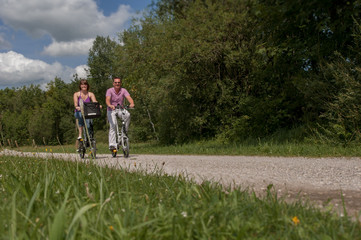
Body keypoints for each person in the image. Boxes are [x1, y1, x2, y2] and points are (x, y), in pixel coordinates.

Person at [106, 76, 135, 150]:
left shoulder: (123, 90)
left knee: (128, 115)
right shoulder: (109, 90)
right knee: (113, 125)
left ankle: (123, 134)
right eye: (116, 82)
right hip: (111, 109)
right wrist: (110, 105)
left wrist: (132, 103)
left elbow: (129, 98)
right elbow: (107, 99)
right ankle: (112, 144)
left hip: (120, 109)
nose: (117, 84)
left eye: (118, 82)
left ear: (121, 83)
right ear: (113, 83)